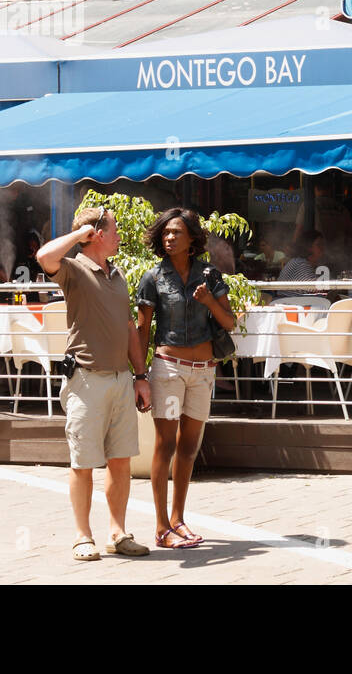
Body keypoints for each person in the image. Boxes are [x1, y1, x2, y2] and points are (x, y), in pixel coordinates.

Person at [36, 206, 152, 562]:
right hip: (85, 380)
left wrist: (140, 376)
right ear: (95, 234)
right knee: (83, 462)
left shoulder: (118, 275)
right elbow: (43, 256)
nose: (119, 236)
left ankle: (117, 533)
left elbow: (129, 328)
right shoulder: (73, 270)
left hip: (120, 379)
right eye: (113, 230)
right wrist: (77, 235)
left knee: (120, 461)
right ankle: (82, 536)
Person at [135, 208, 235, 550]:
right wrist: (139, 374)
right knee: (166, 444)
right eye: (165, 233)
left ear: (192, 238)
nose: (170, 237)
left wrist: (209, 300)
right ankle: (162, 526)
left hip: (203, 370)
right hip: (170, 368)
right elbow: (142, 329)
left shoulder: (209, 275)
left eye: (176, 232)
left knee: (190, 448)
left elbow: (230, 322)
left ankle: (179, 519)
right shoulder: (154, 277)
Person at [276, 230, 326, 297]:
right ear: (308, 247)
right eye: (319, 245)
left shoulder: (300, 261)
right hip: (288, 304)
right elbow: (316, 289)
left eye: (322, 244)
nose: (322, 248)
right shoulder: (300, 263)